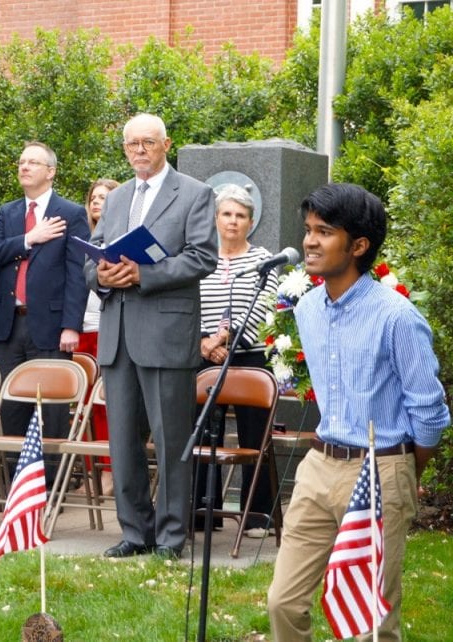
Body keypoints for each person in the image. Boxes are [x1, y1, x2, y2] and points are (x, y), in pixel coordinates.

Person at [267, 183, 450, 641]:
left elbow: (429, 414)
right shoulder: (307, 308)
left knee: (371, 621)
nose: (309, 241)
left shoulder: (397, 317)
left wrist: (402, 470)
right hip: (318, 465)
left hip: (380, 466)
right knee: (283, 602)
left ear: (359, 245)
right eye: (308, 229)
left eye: (325, 232)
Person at [86, 113, 217, 559]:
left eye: (147, 142)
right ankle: (134, 533)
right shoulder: (118, 197)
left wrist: (144, 274)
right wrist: (102, 275)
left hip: (165, 333)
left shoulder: (195, 194)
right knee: (122, 441)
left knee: (170, 441)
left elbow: (202, 257)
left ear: (166, 144)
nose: (138, 150)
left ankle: (171, 537)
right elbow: (93, 258)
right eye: (130, 144)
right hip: (117, 334)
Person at [0, 141, 89, 488]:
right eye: (21, 161)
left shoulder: (70, 213)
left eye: (33, 162)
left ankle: (50, 489)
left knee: (52, 412)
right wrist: (30, 238)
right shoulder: (8, 212)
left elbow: (78, 273)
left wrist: (71, 325)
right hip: (10, 325)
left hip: (52, 327)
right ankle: (15, 489)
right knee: (11, 406)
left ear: (51, 171)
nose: (24, 167)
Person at [192, 184, 279, 536]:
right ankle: (201, 511)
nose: (232, 221)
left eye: (240, 215)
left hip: (249, 356)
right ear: (215, 219)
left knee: (254, 435)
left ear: (251, 221)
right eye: (226, 214)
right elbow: (188, 302)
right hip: (203, 357)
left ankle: (255, 515)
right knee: (200, 432)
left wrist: (224, 338)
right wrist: (203, 343)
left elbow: (263, 305)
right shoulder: (200, 256)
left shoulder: (263, 259)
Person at [79, 178, 119, 494]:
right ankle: (87, 472)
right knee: (83, 405)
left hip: (105, 327)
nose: (97, 202)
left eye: (104, 197)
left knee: (106, 405)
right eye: (94, 197)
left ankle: (109, 472)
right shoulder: (79, 237)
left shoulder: (118, 237)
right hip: (78, 330)